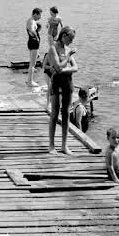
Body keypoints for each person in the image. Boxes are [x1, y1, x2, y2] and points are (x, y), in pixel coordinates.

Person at [46, 26, 78, 155]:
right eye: (70, 39)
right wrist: (68, 57)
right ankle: (51, 145)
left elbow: (75, 67)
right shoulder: (53, 48)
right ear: (64, 35)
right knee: (54, 113)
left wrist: (64, 69)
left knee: (66, 113)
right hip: (56, 83)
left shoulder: (68, 49)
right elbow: (58, 66)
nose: (71, 42)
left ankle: (64, 145)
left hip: (67, 83)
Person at [26, 8, 43, 86]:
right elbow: (32, 30)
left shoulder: (30, 20)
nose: (40, 17)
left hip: (31, 42)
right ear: (35, 14)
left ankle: (30, 80)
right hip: (33, 43)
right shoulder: (32, 21)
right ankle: (30, 82)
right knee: (32, 64)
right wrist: (36, 37)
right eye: (40, 15)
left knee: (32, 63)